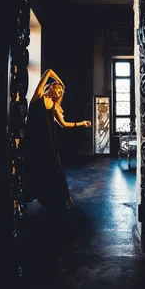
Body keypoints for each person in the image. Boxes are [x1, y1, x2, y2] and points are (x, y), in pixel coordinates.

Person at [24, 68, 91, 211]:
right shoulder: (38, 96)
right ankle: (36, 197)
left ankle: (66, 197)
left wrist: (82, 123)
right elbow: (48, 71)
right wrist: (60, 81)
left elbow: (64, 124)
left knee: (56, 168)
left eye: (61, 92)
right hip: (34, 140)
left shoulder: (54, 106)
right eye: (58, 89)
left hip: (49, 141)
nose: (60, 92)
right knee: (35, 168)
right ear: (52, 86)